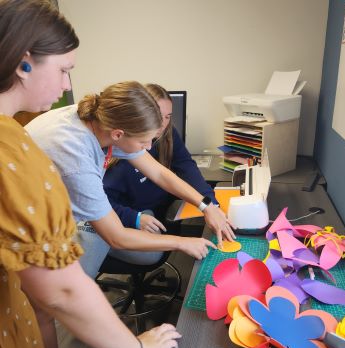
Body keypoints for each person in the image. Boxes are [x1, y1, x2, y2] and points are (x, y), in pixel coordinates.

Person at [0, 1, 180, 348]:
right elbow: (61, 290)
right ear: (23, 62)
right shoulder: (13, 149)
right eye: (65, 69)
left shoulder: (18, 132)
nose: (68, 83)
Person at [26, 81, 235, 278]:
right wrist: (182, 242)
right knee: (68, 292)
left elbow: (159, 173)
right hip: (30, 221)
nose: (149, 148)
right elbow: (115, 236)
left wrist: (206, 205)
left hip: (53, 204)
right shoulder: (76, 157)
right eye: (144, 141)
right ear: (118, 135)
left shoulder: (102, 121)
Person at [104, 83, 220, 264]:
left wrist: (210, 204)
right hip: (125, 215)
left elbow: (181, 168)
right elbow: (101, 205)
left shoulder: (166, 133)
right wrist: (134, 218)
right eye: (158, 116)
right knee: (152, 254)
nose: (163, 124)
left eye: (168, 117)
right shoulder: (123, 150)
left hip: (153, 210)